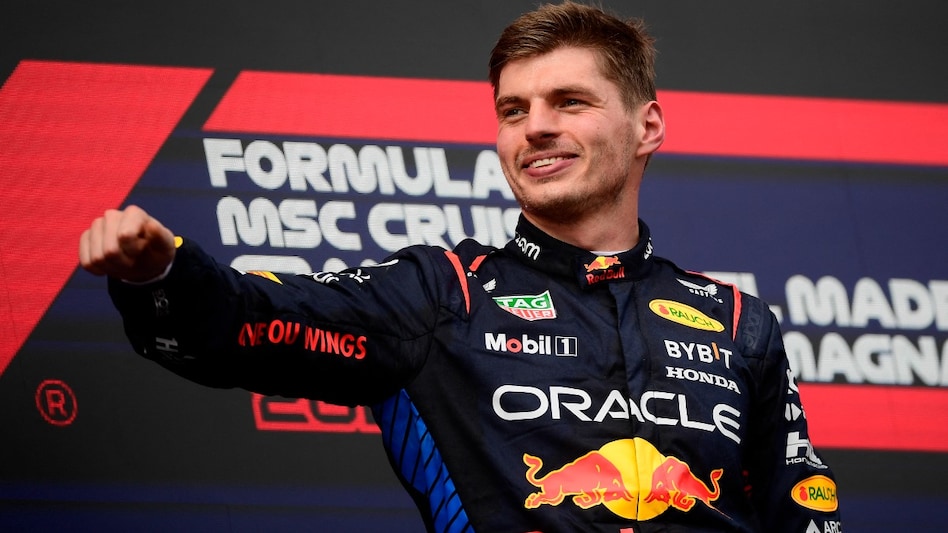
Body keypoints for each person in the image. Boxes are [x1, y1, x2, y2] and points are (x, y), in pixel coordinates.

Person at [79, 2, 841, 532]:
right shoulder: (441, 296)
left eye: (569, 101)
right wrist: (162, 274)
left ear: (648, 125)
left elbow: (803, 511)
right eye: (514, 110)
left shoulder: (738, 323)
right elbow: (258, 322)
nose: (536, 126)